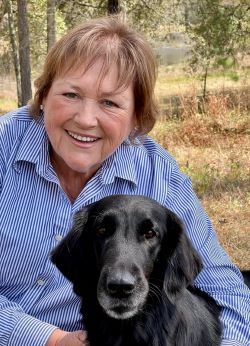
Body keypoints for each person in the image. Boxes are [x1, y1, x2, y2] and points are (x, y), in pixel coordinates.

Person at [0, 16, 249, 346]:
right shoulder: (5, 146)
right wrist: (50, 339)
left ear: (136, 117)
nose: (86, 119)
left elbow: (229, 293)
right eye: (71, 94)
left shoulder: (159, 175)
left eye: (110, 102)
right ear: (44, 95)